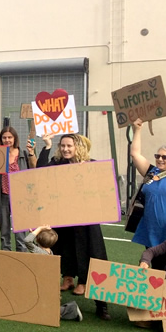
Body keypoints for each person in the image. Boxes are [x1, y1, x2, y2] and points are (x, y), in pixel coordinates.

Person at [38, 133, 111, 320]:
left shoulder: (91, 165)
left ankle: (101, 305)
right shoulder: (57, 164)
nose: (65, 149)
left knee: (95, 258)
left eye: (69, 146)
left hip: (87, 223)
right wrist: (47, 146)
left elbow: (104, 189)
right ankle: (57, 293)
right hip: (64, 222)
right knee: (62, 254)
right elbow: (39, 172)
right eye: (62, 146)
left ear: (78, 147)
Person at [129, 118, 166, 266]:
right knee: (157, 268)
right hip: (153, 231)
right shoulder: (151, 172)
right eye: (157, 156)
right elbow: (135, 154)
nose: (160, 159)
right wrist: (137, 130)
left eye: (165, 157)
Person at [23, 225, 84, 321]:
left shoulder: (39, 252)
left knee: (46, 308)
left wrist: (39, 229)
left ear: (38, 239)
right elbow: (34, 245)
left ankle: (71, 309)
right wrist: (35, 234)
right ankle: (68, 308)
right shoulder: (48, 251)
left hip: (43, 283)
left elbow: (27, 241)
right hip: (49, 283)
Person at [0, 126, 33, 252]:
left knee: (20, 232)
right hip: (2, 196)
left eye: (10, 137)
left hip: (20, 197)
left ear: (15, 138)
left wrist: (32, 153)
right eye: (4, 137)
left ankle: (22, 256)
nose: (7, 140)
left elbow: (34, 168)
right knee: (4, 231)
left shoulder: (23, 154)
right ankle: (6, 255)